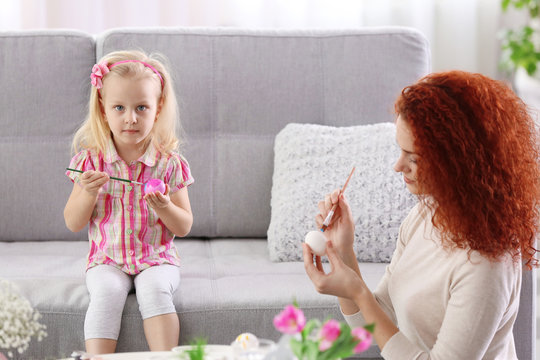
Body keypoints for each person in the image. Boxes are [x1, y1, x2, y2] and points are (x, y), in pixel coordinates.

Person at [303, 70, 539, 359]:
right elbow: (372, 321)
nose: (398, 166)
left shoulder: (486, 264)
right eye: (400, 151)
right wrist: (342, 251)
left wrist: (359, 293)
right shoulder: (425, 216)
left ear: (457, 162)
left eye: (414, 157)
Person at [63, 50, 194, 355]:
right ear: (103, 109)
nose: (130, 118)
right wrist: (87, 192)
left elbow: (184, 225)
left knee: (155, 289)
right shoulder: (89, 162)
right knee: (107, 292)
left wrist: (164, 207)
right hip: (107, 259)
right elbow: (73, 222)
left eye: (141, 108)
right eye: (119, 107)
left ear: (158, 109)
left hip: (156, 257)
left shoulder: (169, 164)